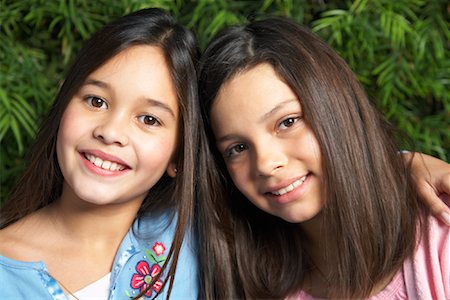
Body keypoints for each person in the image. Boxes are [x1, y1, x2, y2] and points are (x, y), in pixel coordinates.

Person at [197, 17, 450, 299]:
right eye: (237, 148)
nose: (267, 163)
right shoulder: (248, 280)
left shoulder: (440, 232)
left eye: (287, 122)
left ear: (335, 108)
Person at [0, 8, 202, 299]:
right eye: (96, 101)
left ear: (179, 155)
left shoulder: (195, 241)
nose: (110, 132)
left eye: (148, 119)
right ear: (63, 103)